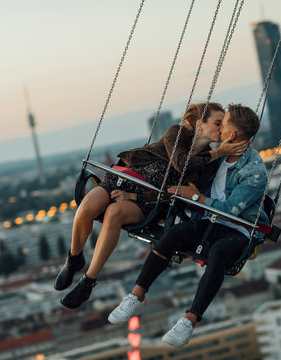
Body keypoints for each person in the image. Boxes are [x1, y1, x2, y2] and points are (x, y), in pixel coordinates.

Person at [55, 102, 249, 309]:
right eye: (218, 123)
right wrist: (217, 152)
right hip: (123, 178)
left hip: (148, 201)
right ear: (200, 124)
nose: (222, 128)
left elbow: (181, 195)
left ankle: (88, 282)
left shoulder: (208, 164)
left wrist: (134, 196)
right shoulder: (178, 133)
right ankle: (74, 257)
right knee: (86, 208)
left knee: (114, 213)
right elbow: (180, 162)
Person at [108, 104, 269, 347]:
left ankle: (189, 320)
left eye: (221, 124)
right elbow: (185, 170)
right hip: (205, 220)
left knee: (219, 253)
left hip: (237, 228)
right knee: (173, 235)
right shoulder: (216, 154)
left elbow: (230, 211)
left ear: (232, 135)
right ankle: (136, 295)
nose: (218, 128)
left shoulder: (255, 171)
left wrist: (197, 197)